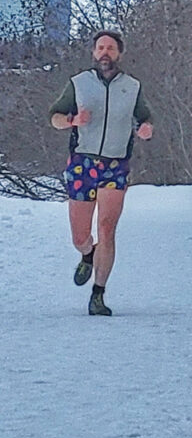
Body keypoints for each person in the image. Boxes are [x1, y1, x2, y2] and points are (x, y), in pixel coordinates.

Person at [49, 30, 153, 316]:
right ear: (94, 53)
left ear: (119, 54)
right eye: (100, 48)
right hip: (83, 163)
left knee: (107, 228)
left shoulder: (132, 87)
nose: (105, 52)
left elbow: (145, 117)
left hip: (115, 164)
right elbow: (54, 117)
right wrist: (72, 120)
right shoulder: (79, 83)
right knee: (80, 236)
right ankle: (87, 253)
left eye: (110, 48)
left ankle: (98, 294)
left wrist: (146, 128)